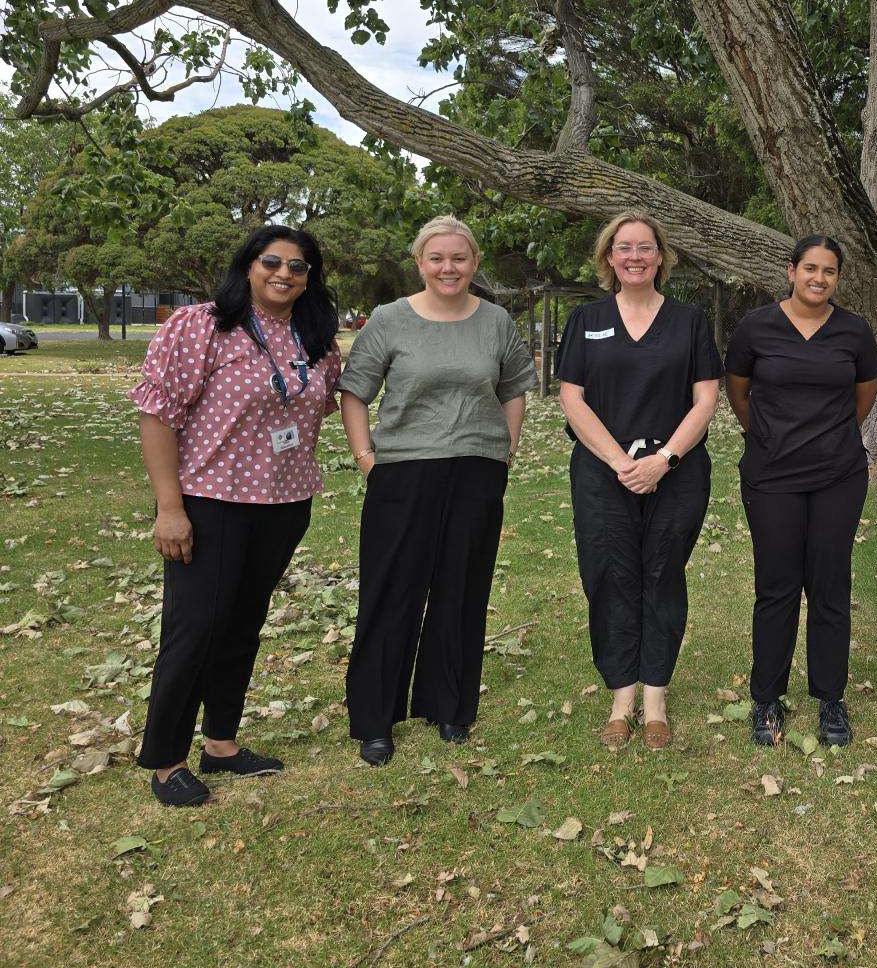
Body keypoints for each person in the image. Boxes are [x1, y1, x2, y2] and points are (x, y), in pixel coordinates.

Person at [131, 225, 342, 806]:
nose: (284, 274)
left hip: (283, 504)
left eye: (298, 267)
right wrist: (169, 508)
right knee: (194, 627)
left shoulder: (314, 335)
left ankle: (221, 742)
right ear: (247, 266)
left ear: (310, 277)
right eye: (271, 262)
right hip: (209, 502)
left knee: (243, 623)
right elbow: (157, 415)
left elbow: (323, 402)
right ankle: (166, 760)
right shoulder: (202, 325)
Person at [340, 216, 535, 766]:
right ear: (420, 262)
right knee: (392, 591)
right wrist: (367, 458)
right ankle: (375, 719)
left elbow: (516, 386)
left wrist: (506, 447)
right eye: (437, 258)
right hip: (402, 471)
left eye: (459, 258)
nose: (448, 268)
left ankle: (449, 705)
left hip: (476, 469)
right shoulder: (389, 320)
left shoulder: (495, 321)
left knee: (462, 589)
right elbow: (354, 393)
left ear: (474, 263)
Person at [557, 212, 721, 750]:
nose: (634, 257)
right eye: (624, 248)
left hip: (675, 473)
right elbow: (572, 399)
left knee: (662, 575)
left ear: (660, 257)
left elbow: (705, 400)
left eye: (645, 248)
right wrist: (618, 463)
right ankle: (620, 697)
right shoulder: (586, 319)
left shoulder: (690, 321)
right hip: (604, 474)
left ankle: (655, 699)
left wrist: (664, 460)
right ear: (609, 257)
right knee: (609, 575)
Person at [726, 236, 877, 748]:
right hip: (771, 475)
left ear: (838, 278)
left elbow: (864, 397)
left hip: (838, 474)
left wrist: (827, 438)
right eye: (810, 268)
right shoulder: (755, 327)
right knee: (777, 585)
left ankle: (830, 698)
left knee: (830, 584)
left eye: (829, 271)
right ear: (791, 271)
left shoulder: (854, 332)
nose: (819, 278)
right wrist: (773, 436)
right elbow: (739, 393)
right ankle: (767, 697)